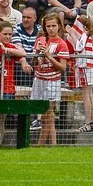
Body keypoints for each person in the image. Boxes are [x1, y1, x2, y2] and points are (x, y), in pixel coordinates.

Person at [31, 10, 70, 146]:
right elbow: (34, 63)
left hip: (52, 80)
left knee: (49, 115)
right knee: (43, 116)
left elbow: (62, 67)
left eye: (53, 26)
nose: (51, 29)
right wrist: (37, 54)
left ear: (59, 26)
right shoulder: (40, 40)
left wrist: (49, 56)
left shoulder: (61, 44)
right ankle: (45, 144)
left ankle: (48, 144)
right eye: (48, 26)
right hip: (39, 78)